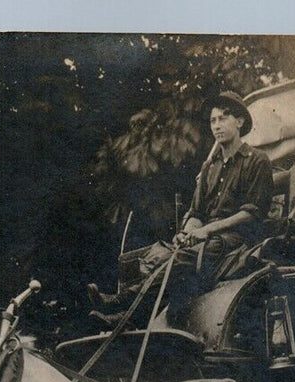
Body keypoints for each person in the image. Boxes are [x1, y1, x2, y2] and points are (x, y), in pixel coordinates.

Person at [91, 90, 274, 327]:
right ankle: (126, 318)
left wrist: (206, 231)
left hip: (236, 240)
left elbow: (252, 212)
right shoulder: (209, 166)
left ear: (239, 122)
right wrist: (187, 233)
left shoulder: (257, 160)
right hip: (205, 240)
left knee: (179, 260)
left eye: (223, 118)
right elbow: (197, 213)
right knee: (156, 257)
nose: (217, 125)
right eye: (213, 120)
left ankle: (121, 305)